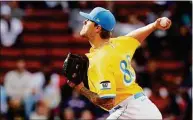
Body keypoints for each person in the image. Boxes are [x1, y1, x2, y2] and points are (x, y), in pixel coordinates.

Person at [66, 7, 171, 119]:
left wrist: (81, 89)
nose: (84, 21)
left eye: (89, 20)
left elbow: (108, 101)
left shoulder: (100, 58)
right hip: (145, 108)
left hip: (130, 111)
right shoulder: (118, 44)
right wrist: (154, 25)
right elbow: (135, 37)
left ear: (97, 28)